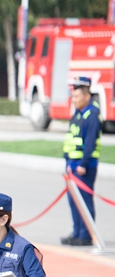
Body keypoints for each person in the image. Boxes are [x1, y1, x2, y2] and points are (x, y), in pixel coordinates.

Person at [61, 77, 103, 247]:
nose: (74, 100)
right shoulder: (78, 114)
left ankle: (86, 235)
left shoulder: (92, 115)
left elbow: (90, 143)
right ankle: (77, 232)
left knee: (84, 200)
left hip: (83, 167)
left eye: (77, 97)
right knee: (74, 200)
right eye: (73, 97)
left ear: (87, 96)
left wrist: (83, 164)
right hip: (72, 164)